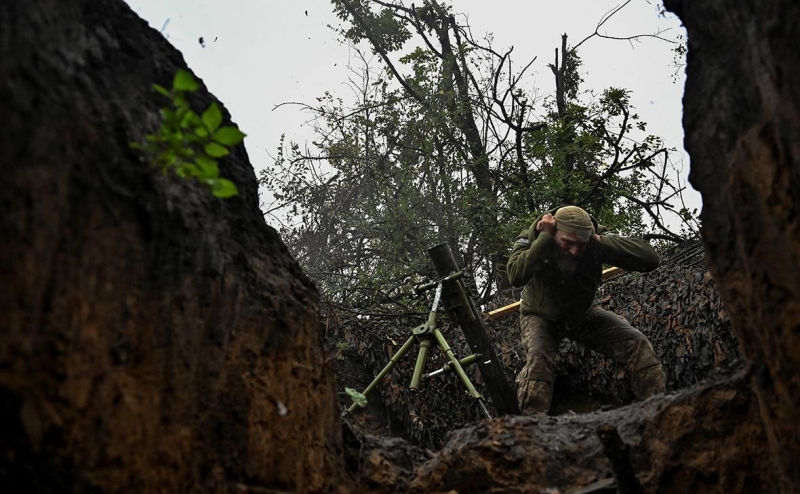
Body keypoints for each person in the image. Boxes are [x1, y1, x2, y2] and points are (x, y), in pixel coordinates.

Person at [506, 205, 665, 415]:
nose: (574, 251)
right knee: (538, 359)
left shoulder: (595, 238)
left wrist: (600, 242)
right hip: (540, 315)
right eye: (567, 243)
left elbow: (650, 259)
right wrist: (543, 239)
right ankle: (532, 427)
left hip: (584, 314)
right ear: (553, 233)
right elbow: (515, 275)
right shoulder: (534, 236)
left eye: (581, 244)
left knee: (637, 343)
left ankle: (657, 410)